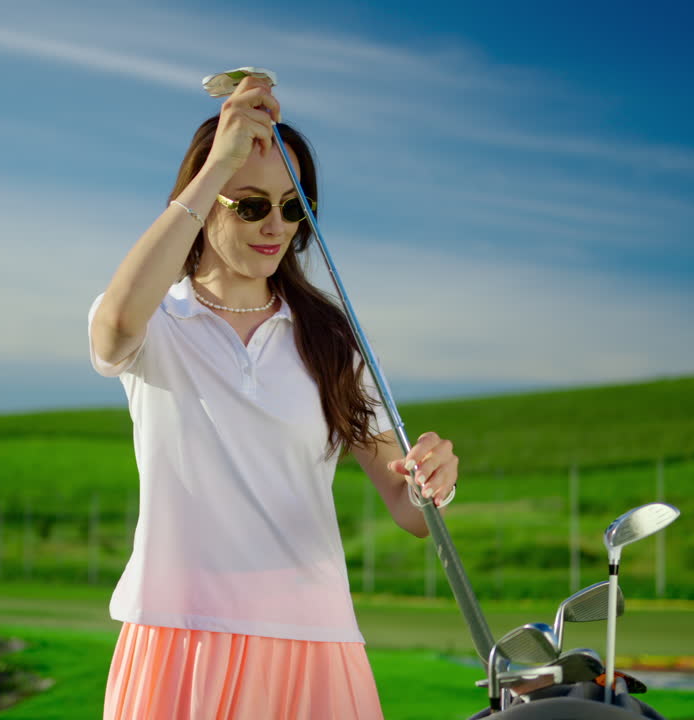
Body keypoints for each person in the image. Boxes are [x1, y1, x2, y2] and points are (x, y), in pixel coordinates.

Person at [88, 75, 460, 720]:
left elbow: (407, 509)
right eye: (251, 205)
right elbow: (115, 324)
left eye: (293, 207)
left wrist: (433, 481)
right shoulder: (155, 322)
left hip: (316, 636)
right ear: (204, 204)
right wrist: (219, 164)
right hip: (181, 632)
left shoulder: (332, 337)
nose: (277, 226)